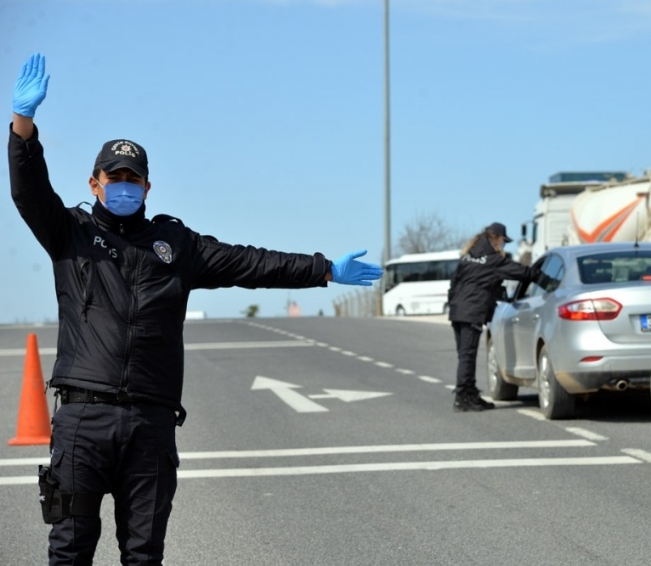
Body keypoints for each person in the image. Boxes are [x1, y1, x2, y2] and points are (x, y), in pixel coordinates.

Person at [8, 53, 382, 565]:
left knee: (144, 555)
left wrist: (323, 269)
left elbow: (251, 263)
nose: (122, 185)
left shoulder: (175, 244)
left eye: (132, 178)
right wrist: (23, 126)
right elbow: (28, 191)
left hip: (149, 424)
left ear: (147, 187)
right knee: (69, 552)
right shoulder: (69, 232)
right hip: (82, 422)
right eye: (112, 176)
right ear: (93, 182)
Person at [447, 222, 535, 412]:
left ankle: (469, 393)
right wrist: (543, 275)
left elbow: (454, 283)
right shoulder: (493, 260)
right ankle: (463, 398)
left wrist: (454, 304)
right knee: (468, 355)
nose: (504, 246)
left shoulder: (468, 256)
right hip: (472, 311)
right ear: (496, 239)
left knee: (464, 355)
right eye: (504, 241)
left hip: (457, 311)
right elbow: (523, 273)